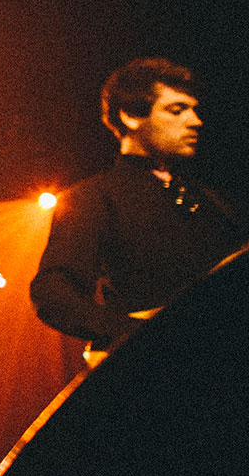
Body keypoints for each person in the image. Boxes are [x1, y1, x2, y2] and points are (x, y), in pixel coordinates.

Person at [31, 57, 242, 358]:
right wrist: (134, 334)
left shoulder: (214, 200)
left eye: (194, 109)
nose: (196, 120)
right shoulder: (93, 197)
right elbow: (52, 294)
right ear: (130, 116)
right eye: (177, 109)